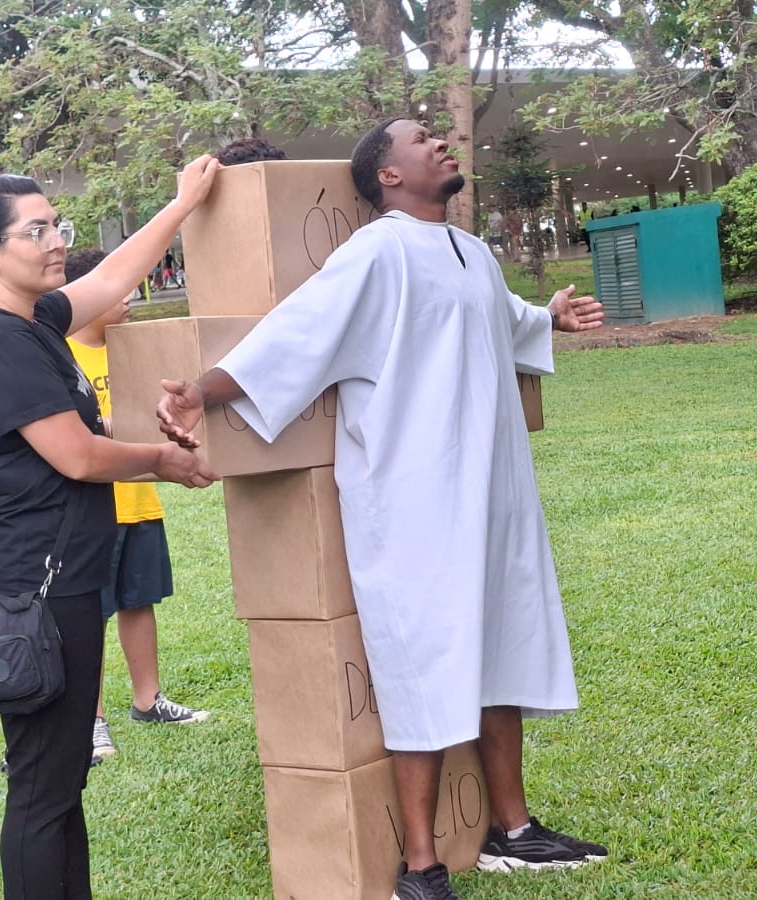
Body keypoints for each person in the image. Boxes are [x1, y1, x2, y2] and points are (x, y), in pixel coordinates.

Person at [157, 118, 609, 900]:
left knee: (503, 643)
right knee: (424, 666)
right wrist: (200, 391)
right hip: (414, 499)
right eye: (421, 138)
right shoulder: (377, 251)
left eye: (439, 135)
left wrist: (551, 319)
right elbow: (297, 335)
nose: (440, 143)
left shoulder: (471, 250)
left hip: (494, 492)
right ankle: (421, 867)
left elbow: (499, 319)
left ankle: (513, 830)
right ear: (389, 175)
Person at [0, 160, 219, 900]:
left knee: (61, 778)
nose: (55, 241)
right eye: (34, 232)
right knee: (43, 784)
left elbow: (113, 277)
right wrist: (162, 459)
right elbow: (78, 455)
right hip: (30, 587)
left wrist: (182, 204)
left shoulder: (31, 320)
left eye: (55, 225)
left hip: (57, 577)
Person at [60, 248, 209, 769]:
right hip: (92, 507)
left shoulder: (133, 352)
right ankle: (91, 718)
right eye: (116, 287)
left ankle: (149, 700)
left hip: (139, 500)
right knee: (90, 613)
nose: (128, 297)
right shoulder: (59, 355)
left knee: (139, 601)